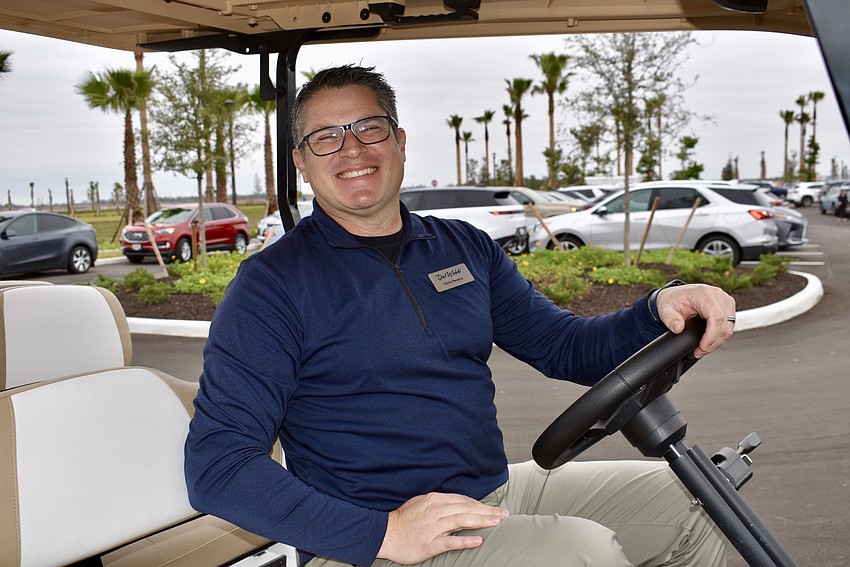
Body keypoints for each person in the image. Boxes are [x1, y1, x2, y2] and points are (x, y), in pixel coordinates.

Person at [185, 65, 736, 567]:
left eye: (369, 128)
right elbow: (218, 467)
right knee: (579, 554)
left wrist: (657, 309)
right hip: (373, 540)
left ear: (399, 142)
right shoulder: (271, 287)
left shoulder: (463, 248)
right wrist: (384, 533)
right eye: (325, 137)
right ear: (301, 162)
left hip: (492, 493)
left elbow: (564, 346)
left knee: (704, 498)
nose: (351, 149)